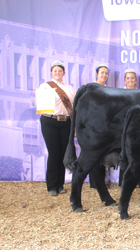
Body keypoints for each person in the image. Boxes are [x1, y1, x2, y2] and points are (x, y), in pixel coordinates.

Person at [39, 60, 75, 196]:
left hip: (65, 122)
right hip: (50, 121)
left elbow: (73, 106)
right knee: (54, 153)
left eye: (60, 71)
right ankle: (52, 186)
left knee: (63, 154)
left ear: (64, 73)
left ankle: (60, 185)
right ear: (51, 73)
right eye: (55, 71)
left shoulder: (70, 89)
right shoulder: (45, 86)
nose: (58, 73)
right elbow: (42, 105)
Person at [90, 64, 109, 189]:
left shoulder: (108, 89)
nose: (104, 75)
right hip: (92, 125)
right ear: (97, 74)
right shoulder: (91, 88)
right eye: (102, 73)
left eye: (106, 73)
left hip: (104, 125)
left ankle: (101, 182)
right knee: (93, 154)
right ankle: (94, 183)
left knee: (102, 154)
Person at [118, 69, 138, 187]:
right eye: (128, 78)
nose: (130, 80)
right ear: (125, 80)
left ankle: (135, 180)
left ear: (135, 80)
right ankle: (123, 181)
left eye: (132, 78)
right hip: (123, 126)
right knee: (123, 153)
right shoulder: (120, 93)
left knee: (135, 153)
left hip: (136, 126)